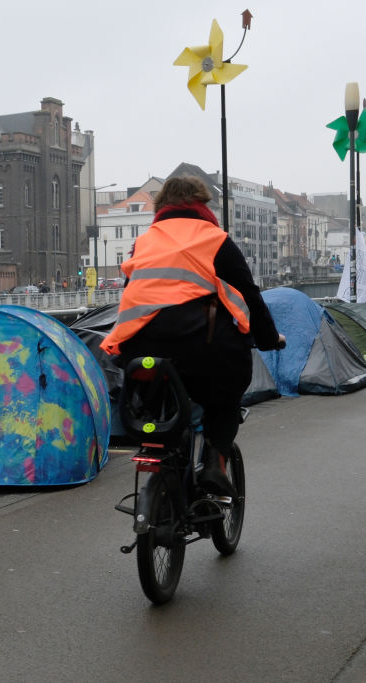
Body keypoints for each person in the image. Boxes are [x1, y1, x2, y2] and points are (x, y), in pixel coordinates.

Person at [100, 176, 284, 496]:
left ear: (162, 207)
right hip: (203, 346)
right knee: (225, 395)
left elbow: (135, 295)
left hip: (142, 348)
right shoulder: (214, 239)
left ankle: (159, 453)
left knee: (154, 399)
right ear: (201, 204)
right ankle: (215, 459)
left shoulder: (143, 243)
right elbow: (249, 295)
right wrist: (268, 338)